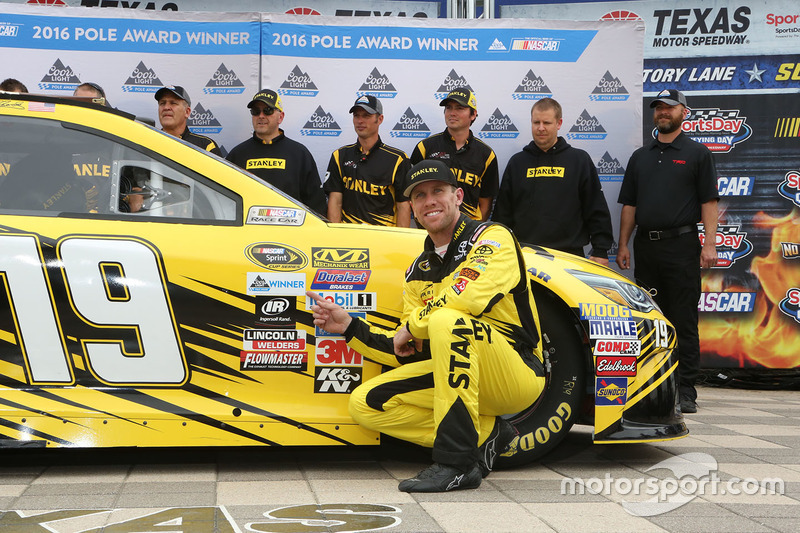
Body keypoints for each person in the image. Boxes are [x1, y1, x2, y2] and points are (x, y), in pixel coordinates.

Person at [308, 160, 545, 493]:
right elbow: (408, 349)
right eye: (419, 196)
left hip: (516, 373)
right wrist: (349, 327)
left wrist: (416, 323)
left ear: (458, 196)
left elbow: (466, 295)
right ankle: (486, 434)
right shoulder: (415, 272)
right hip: (459, 374)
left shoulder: (492, 237)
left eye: (438, 191)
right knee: (366, 404)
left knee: (449, 318)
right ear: (413, 209)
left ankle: (457, 463)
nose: (429, 201)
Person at [616, 89, 719, 414]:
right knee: (649, 320)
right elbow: (629, 204)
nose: (662, 112)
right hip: (647, 248)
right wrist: (623, 244)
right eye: (658, 108)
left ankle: (686, 389)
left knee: (684, 320)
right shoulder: (640, 156)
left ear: (683, 113)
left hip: (683, 247)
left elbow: (709, 203)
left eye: (669, 108)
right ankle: (652, 385)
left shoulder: (697, 153)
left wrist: (711, 243)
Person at [492, 98, 613, 264]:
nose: (541, 128)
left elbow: (596, 208)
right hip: (525, 257)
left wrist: (601, 250)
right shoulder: (517, 162)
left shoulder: (579, 160)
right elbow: (502, 215)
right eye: (536, 122)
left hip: (569, 257)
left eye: (547, 122)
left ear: (559, 123)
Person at [227, 89, 326, 215]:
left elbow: (316, 203)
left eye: (267, 110)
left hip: (290, 230)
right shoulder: (237, 154)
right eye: (256, 111)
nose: (261, 116)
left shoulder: (299, 153)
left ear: (281, 117)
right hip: (249, 230)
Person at [410, 89, 498, 221]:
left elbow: (485, 203)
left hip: (468, 229)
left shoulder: (486, 154)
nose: (452, 113)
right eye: (448, 108)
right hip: (433, 226)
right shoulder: (425, 148)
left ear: (473, 114)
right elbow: (413, 194)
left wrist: (472, 230)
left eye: (459, 108)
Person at [324, 95, 411, 226]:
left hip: (383, 239)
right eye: (356, 115)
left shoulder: (398, 159)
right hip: (350, 239)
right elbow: (335, 201)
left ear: (380, 119)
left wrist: (401, 241)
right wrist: (336, 237)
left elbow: (403, 206)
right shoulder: (339, 156)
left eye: (366, 116)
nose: (360, 121)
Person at [154, 85, 221, 156]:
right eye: (162, 103)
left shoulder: (206, 147)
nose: (166, 107)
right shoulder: (148, 141)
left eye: (173, 103)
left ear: (187, 112)